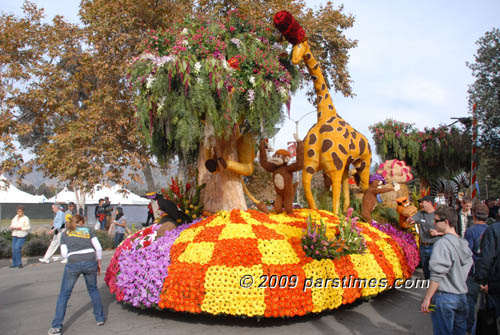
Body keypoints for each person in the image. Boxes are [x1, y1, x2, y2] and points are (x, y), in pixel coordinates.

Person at [48, 214, 105, 335]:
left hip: (73, 262)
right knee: (93, 289)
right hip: (90, 260)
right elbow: (98, 248)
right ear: (82, 222)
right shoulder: (88, 231)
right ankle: (99, 318)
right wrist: (98, 262)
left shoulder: (65, 233)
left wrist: (72, 257)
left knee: (64, 294)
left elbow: (64, 253)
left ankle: (56, 326)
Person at [420, 206, 473, 335]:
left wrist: (427, 298)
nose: (434, 223)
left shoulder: (443, 244)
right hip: (461, 297)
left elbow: (437, 274)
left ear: (447, 222)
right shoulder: (463, 242)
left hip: (445, 297)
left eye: (437, 221)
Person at [464, 202, 489, 333]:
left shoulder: (471, 231)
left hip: (473, 272)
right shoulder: (492, 230)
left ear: (473, 215)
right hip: (488, 274)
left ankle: (469, 327)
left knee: (470, 302)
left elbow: (467, 252)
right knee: (486, 305)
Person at [474, 206, 500, 331]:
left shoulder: (494, 230)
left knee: (490, 317)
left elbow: (487, 257)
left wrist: (483, 280)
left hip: (495, 283)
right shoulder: (494, 230)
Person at [409, 195, 442, 279]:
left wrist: (437, 233)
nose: (421, 204)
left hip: (435, 246)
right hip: (423, 246)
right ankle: (428, 285)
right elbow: (412, 219)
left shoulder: (438, 215)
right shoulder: (421, 214)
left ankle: (435, 288)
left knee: (435, 270)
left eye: (423, 202)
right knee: (426, 270)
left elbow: (447, 231)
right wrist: (410, 220)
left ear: (429, 203)